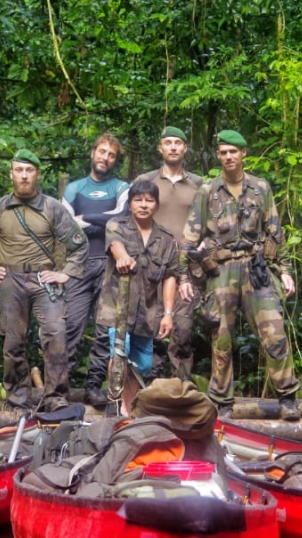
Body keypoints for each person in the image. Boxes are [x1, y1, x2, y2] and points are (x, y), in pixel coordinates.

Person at [178, 130, 300, 420]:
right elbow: (189, 237)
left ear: (244, 153)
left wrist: (284, 271)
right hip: (221, 270)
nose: (228, 156)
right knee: (221, 336)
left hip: (256, 268)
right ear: (218, 156)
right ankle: (222, 401)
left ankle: (287, 397)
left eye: (233, 151)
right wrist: (183, 276)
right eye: (223, 152)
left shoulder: (260, 187)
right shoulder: (207, 191)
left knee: (274, 330)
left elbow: (274, 230)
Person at [0, 150, 88, 412]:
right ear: (11, 174)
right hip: (10, 279)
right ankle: (17, 399)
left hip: (43, 279)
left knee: (56, 334)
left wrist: (65, 273)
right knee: (13, 341)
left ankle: (55, 396)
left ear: (37, 174)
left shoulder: (52, 208)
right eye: (18, 170)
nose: (23, 176)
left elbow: (78, 245)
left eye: (29, 171)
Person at [96, 180, 183, 412]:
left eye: (149, 200)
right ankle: (120, 408)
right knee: (119, 354)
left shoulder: (166, 238)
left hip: (147, 312)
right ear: (130, 203)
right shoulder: (117, 225)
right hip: (117, 308)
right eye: (138, 200)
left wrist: (168, 314)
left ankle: (132, 407)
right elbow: (115, 244)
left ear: (156, 204)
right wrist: (122, 256)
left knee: (143, 365)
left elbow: (170, 276)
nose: (143, 205)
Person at [61, 133, 130, 406]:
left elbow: (122, 218)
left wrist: (86, 218)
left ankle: (93, 387)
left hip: (109, 264)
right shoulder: (75, 188)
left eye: (111, 154)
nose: (105, 158)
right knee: (71, 326)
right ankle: (60, 388)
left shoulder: (121, 187)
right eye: (102, 152)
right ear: (93, 153)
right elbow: (66, 226)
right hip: (78, 264)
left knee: (104, 330)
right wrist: (104, 221)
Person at [135, 126, 204, 383]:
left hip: (185, 268)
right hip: (150, 265)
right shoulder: (146, 181)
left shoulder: (199, 184)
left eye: (178, 142)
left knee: (183, 330)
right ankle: (148, 388)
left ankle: (180, 388)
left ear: (185, 148)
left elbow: (208, 223)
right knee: (147, 328)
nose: (173, 147)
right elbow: (131, 217)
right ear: (160, 148)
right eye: (168, 142)